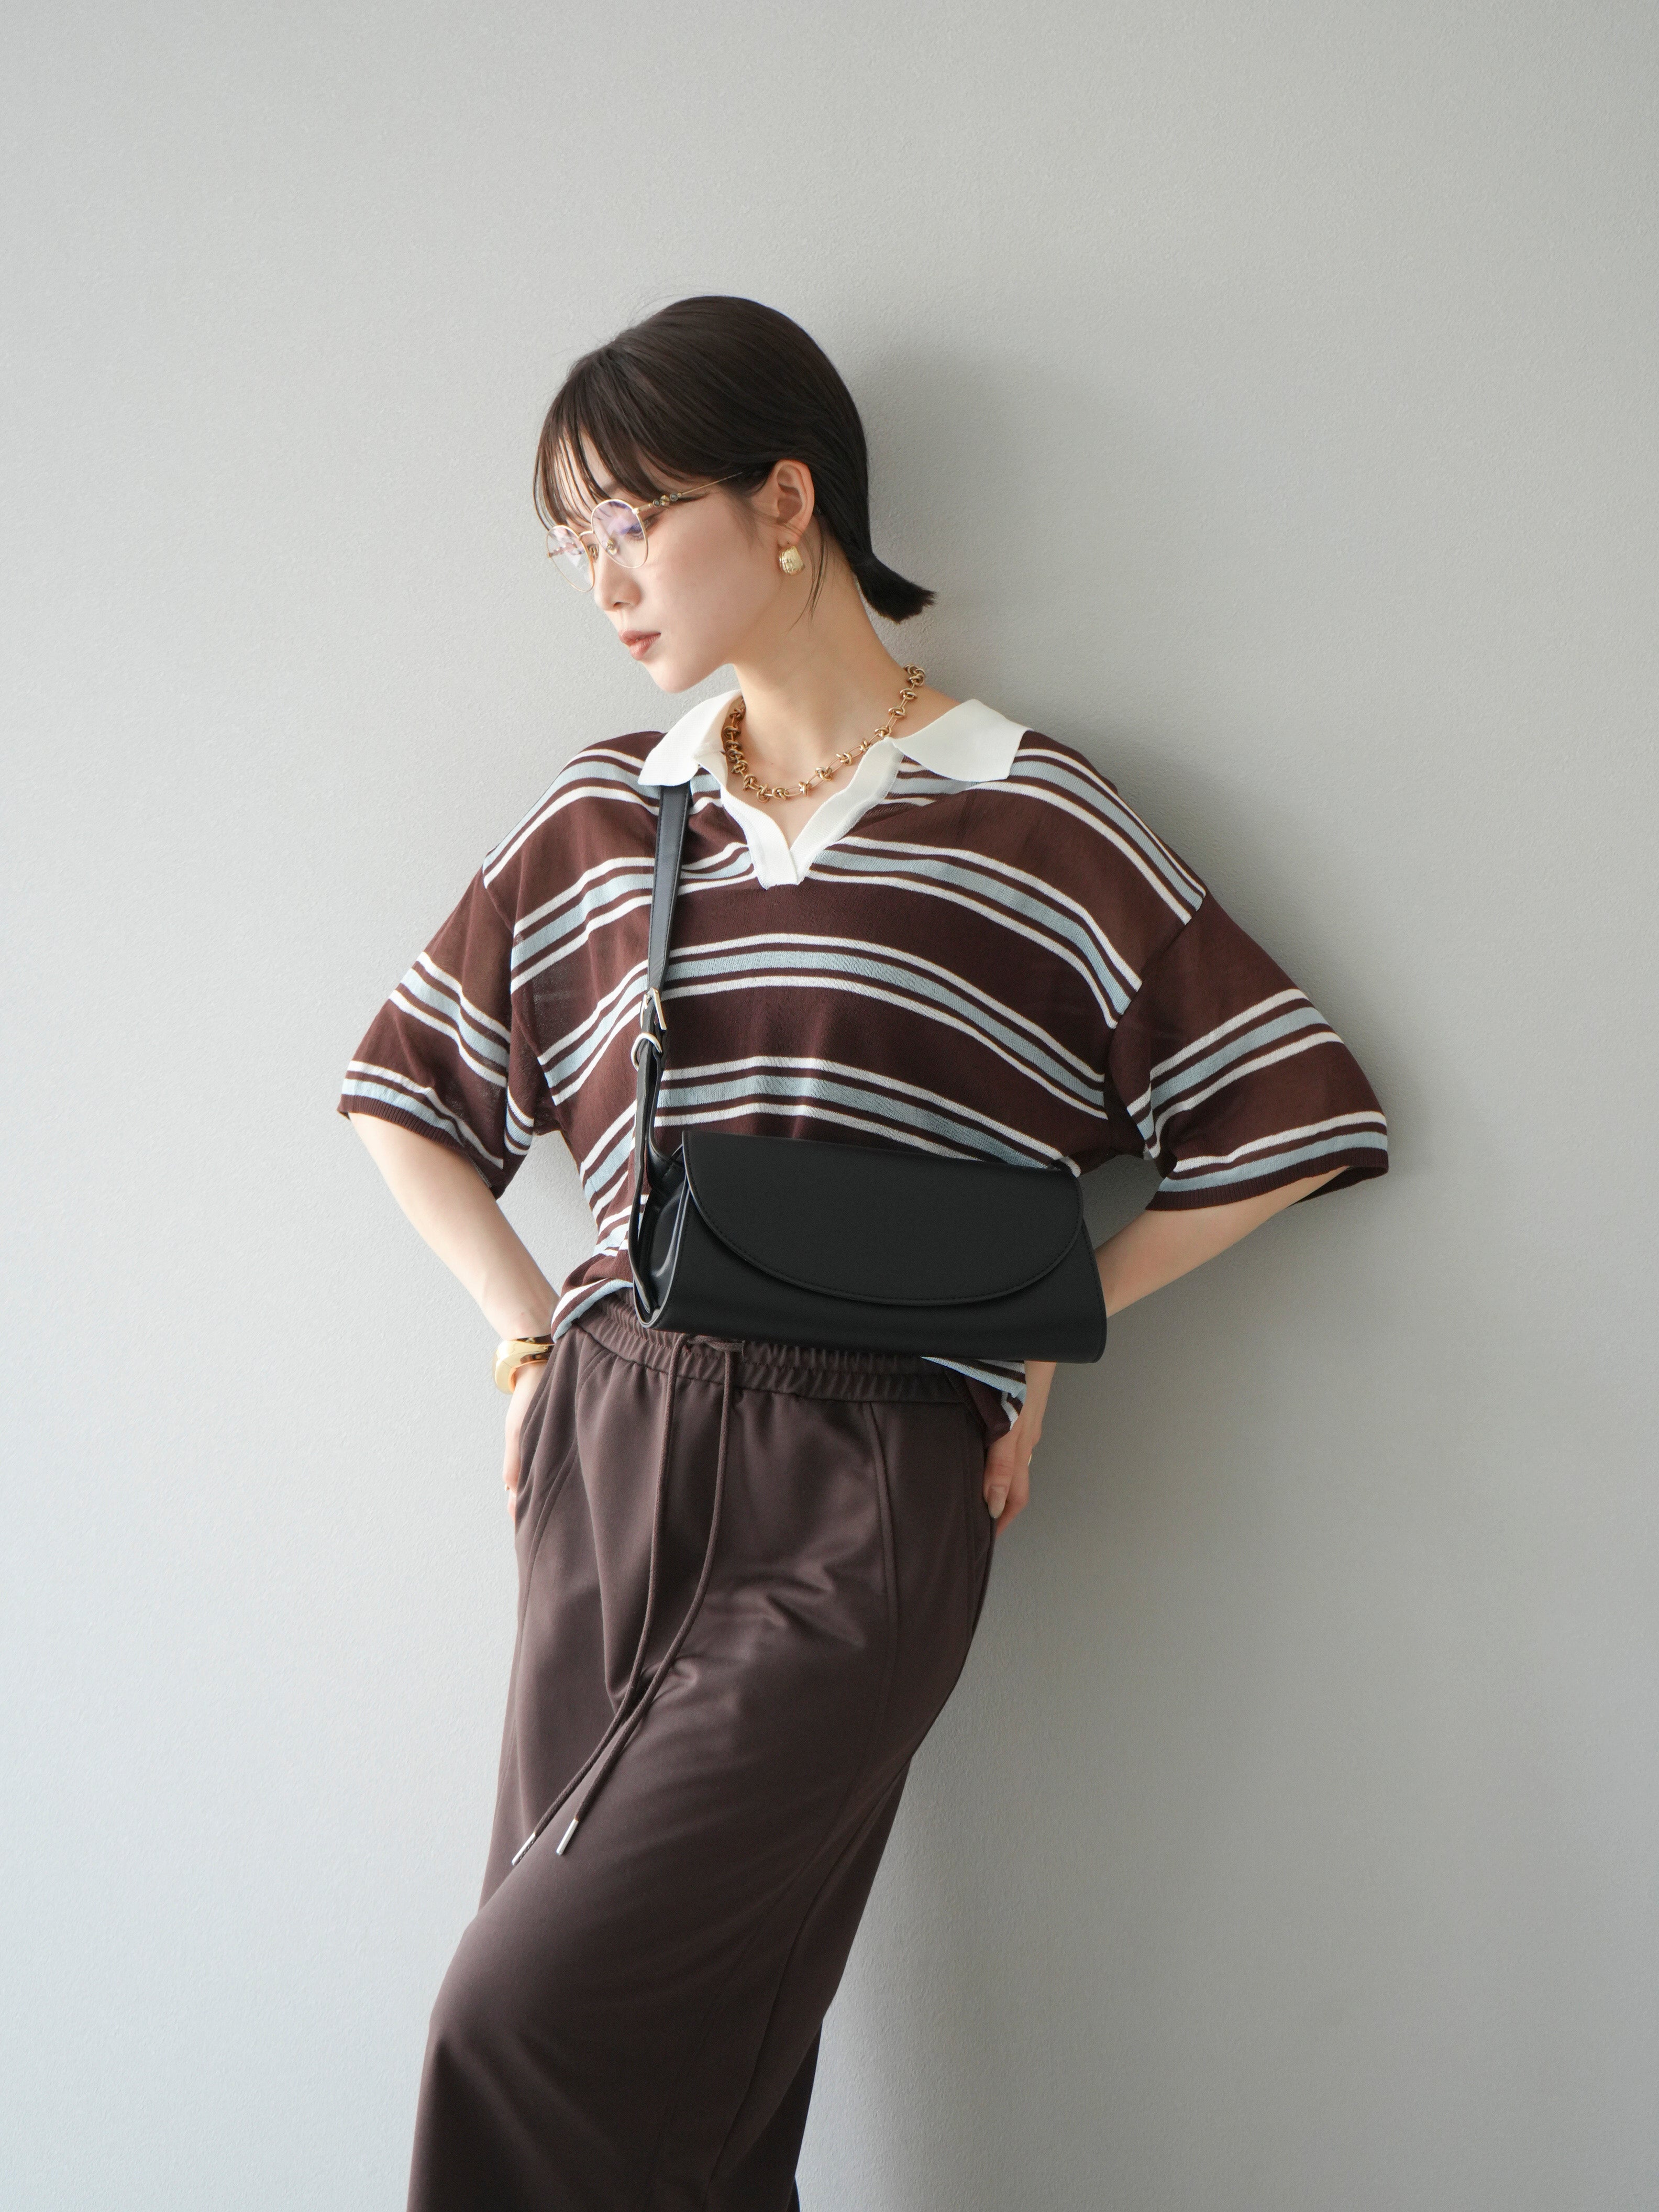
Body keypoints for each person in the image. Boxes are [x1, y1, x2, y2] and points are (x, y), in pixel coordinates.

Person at [338, 294, 1388, 2211]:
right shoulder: (609, 812)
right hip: (609, 1450)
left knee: (523, 2014)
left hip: (868, 1480)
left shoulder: (1031, 809)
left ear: (786, 499)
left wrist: (1043, 1328)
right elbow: (402, 1090)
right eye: (572, 542)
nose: (605, 582)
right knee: (697, 2091)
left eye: (633, 521)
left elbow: (1288, 1115)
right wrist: (522, 1337)